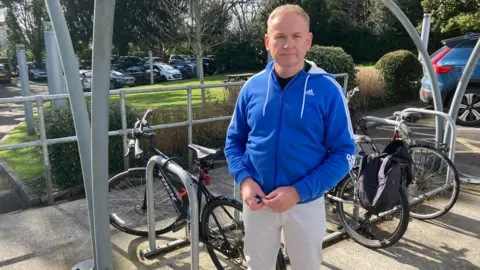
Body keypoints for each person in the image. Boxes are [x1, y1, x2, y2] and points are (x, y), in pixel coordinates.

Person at [224, 4, 356, 270]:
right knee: (257, 265)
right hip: (258, 202)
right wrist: (245, 181)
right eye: (279, 36)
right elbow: (234, 142)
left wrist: (298, 192)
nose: (288, 45)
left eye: (296, 36)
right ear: (267, 41)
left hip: (305, 204)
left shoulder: (327, 89)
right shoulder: (252, 88)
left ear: (308, 41)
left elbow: (345, 154)